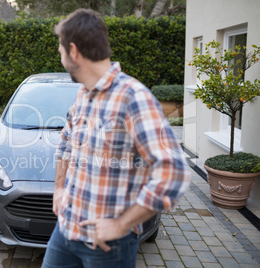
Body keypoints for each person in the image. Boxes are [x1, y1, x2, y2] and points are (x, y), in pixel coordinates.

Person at [42, 9, 191, 268]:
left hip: (108, 246)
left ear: (73, 51)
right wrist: (59, 188)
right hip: (65, 231)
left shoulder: (133, 98)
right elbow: (66, 142)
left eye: (61, 51)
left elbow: (174, 173)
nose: (61, 57)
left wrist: (120, 225)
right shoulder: (83, 94)